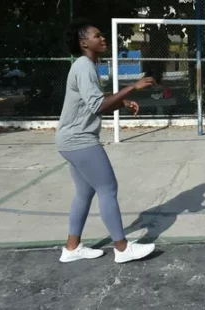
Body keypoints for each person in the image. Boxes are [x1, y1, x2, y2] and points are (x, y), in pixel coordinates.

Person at [55, 19, 157, 264]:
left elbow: (94, 103)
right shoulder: (83, 66)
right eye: (97, 36)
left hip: (69, 139)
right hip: (79, 140)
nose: (103, 39)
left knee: (84, 192)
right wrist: (132, 87)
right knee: (108, 189)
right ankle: (122, 249)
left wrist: (121, 102)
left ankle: (72, 248)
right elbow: (98, 105)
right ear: (84, 43)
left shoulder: (86, 65)